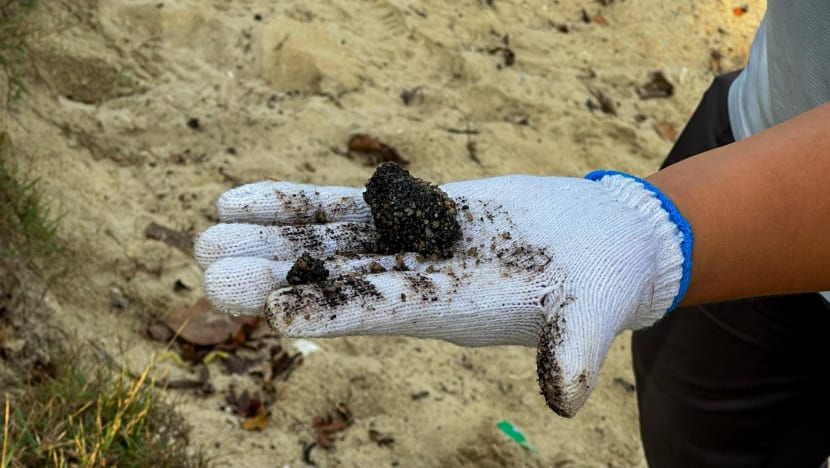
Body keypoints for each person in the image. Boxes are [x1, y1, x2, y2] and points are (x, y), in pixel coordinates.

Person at [194, 2, 830, 466]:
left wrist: (651, 233)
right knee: (689, 432)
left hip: (718, 199)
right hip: (752, 132)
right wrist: (661, 222)